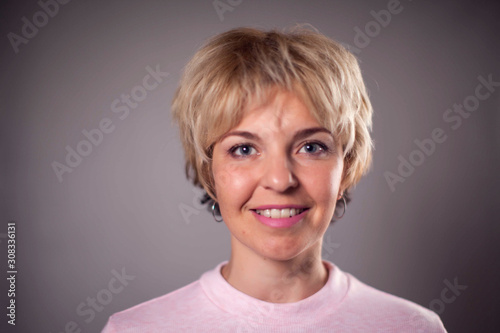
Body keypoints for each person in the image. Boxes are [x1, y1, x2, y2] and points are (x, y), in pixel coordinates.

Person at [101, 26, 447, 332]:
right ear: (210, 173)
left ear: (347, 166)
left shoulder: (412, 328)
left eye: (311, 147)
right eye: (244, 149)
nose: (280, 181)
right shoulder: (135, 330)